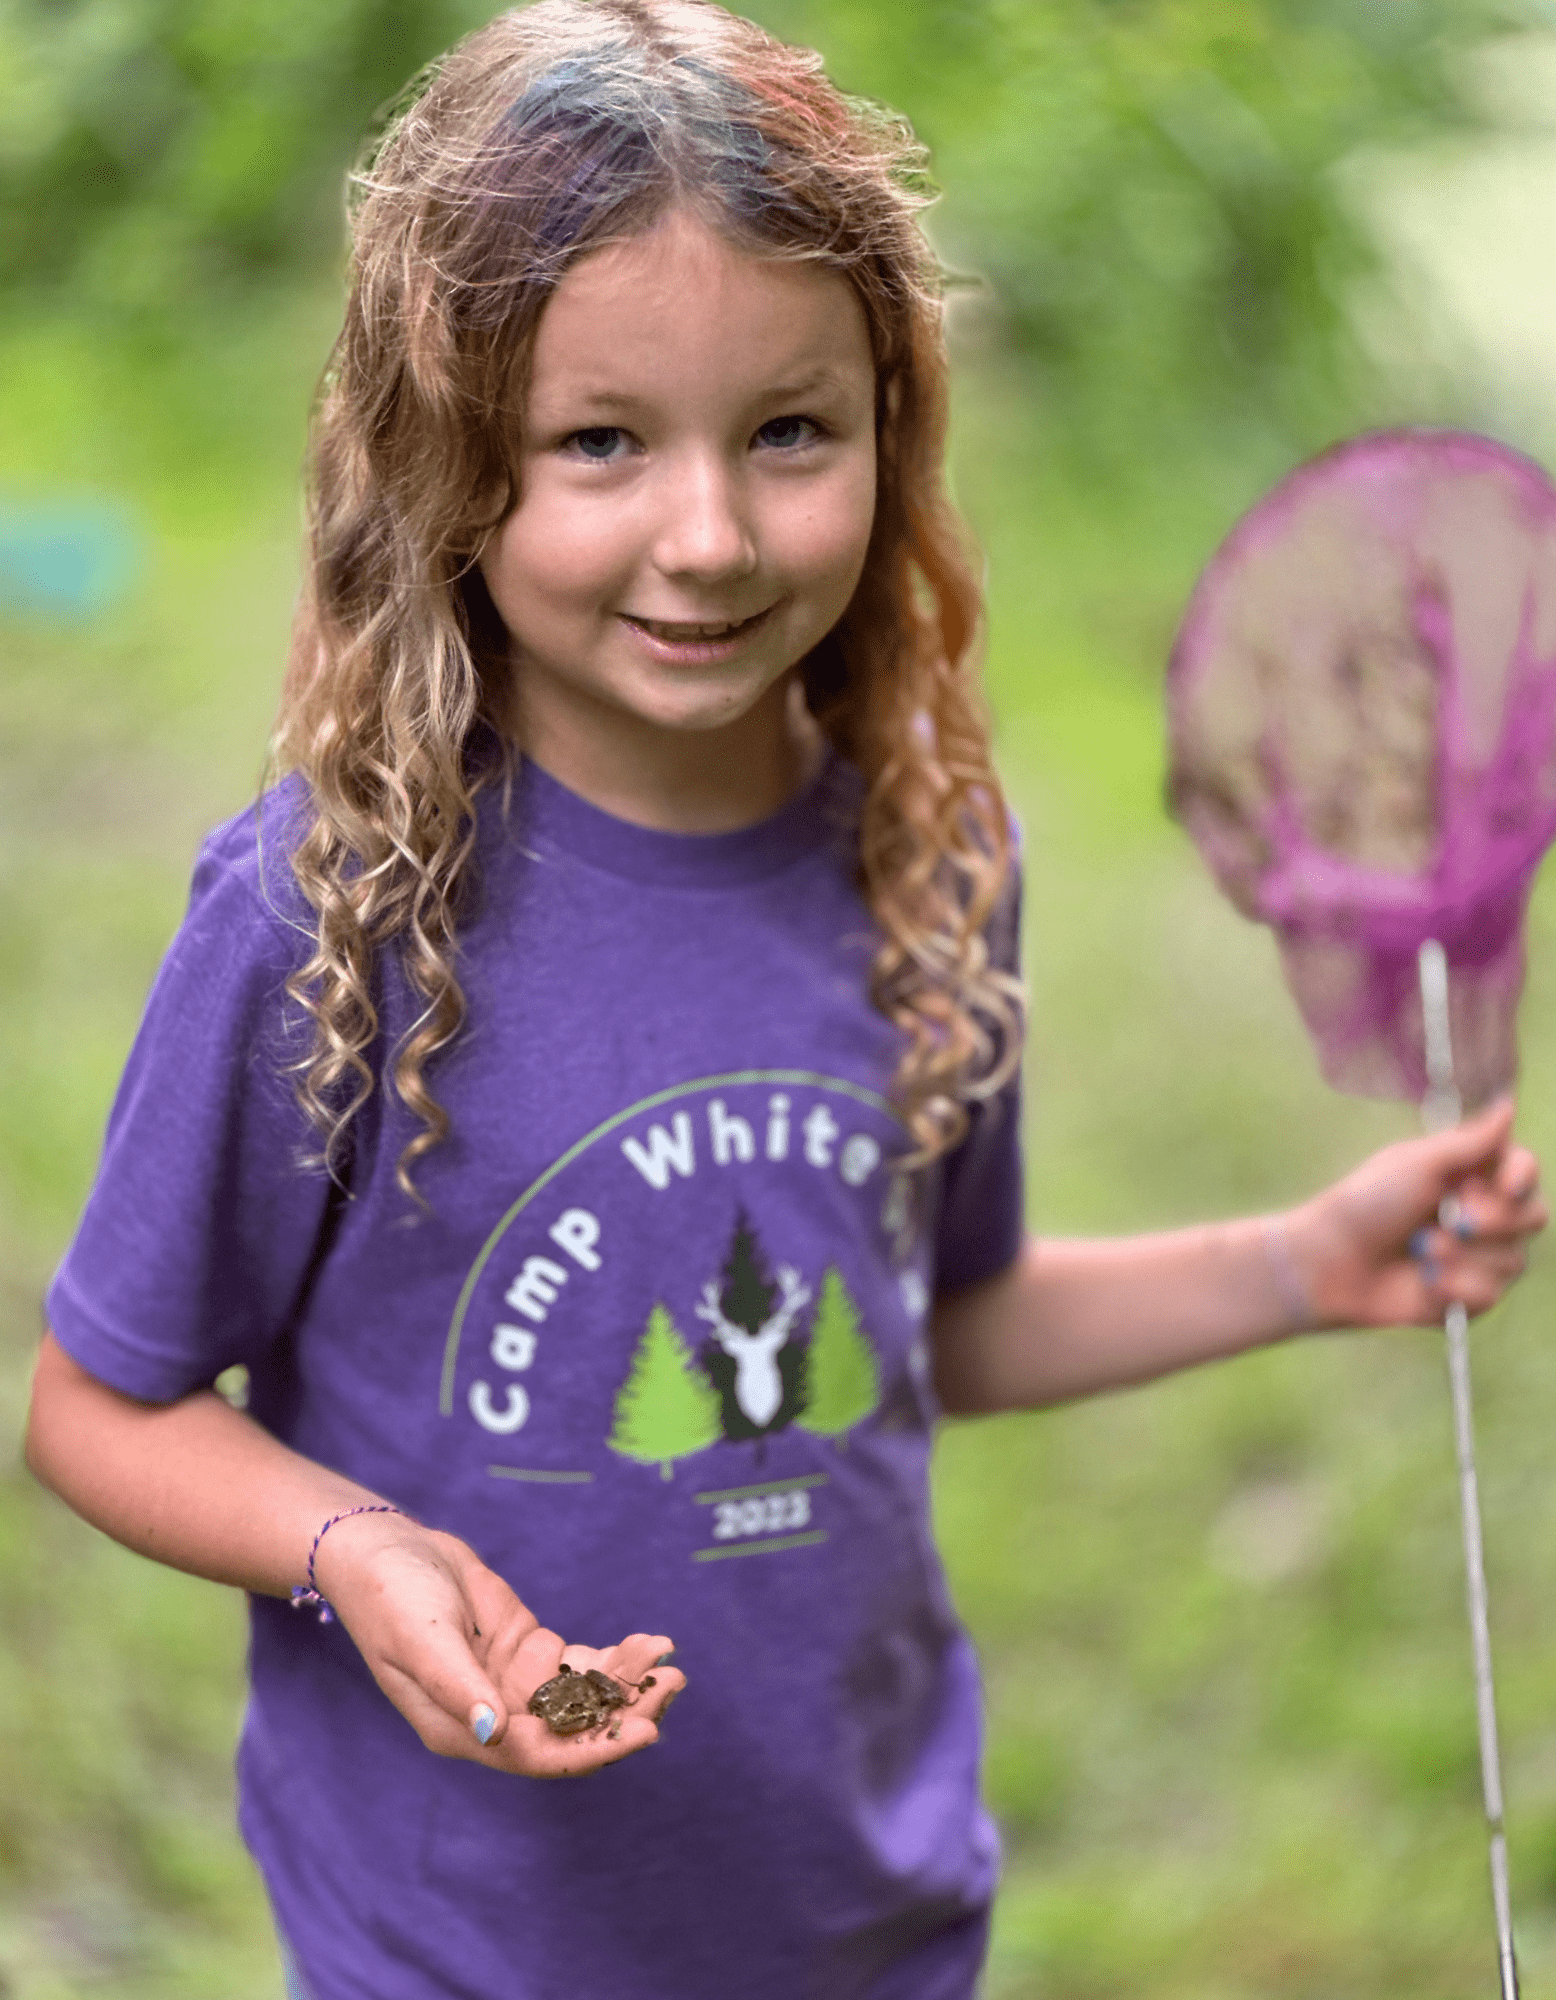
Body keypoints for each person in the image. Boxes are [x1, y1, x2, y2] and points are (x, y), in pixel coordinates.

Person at [23, 3, 1547, 1996]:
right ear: (449, 465)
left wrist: (1293, 1259)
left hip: (863, 1909)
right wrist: (348, 1545)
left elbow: (927, 1322)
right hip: (465, 1937)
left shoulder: (926, 858)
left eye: (789, 431)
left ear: (891, 427)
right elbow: (95, 1403)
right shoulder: (335, 913)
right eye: (598, 442)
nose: (712, 534)